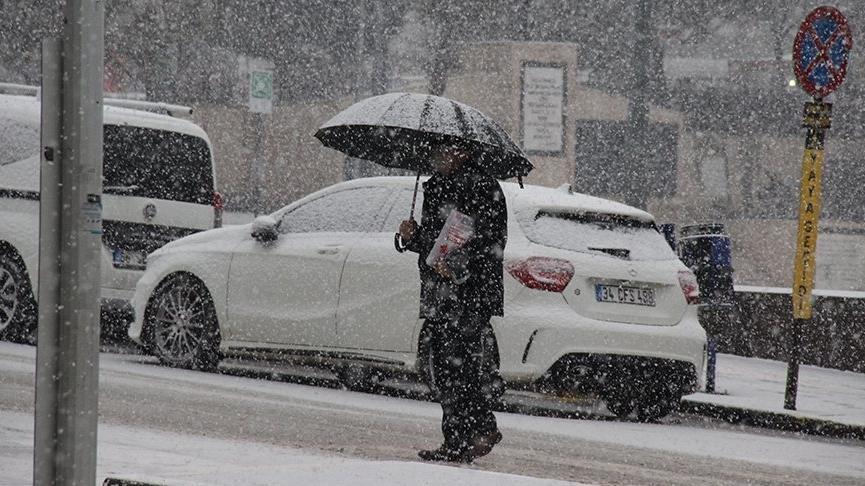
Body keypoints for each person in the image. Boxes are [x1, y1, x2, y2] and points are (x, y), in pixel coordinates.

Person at [398, 142, 507, 463]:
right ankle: (459, 440)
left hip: (468, 294)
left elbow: (489, 240)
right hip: (439, 292)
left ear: (463, 153)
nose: (436, 155)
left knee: (460, 367)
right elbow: (435, 247)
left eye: (443, 150)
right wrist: (412, 237)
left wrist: (459, 267)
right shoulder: (437, 185)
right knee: (442, 369)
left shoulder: (482, 187)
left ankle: (479, 429)